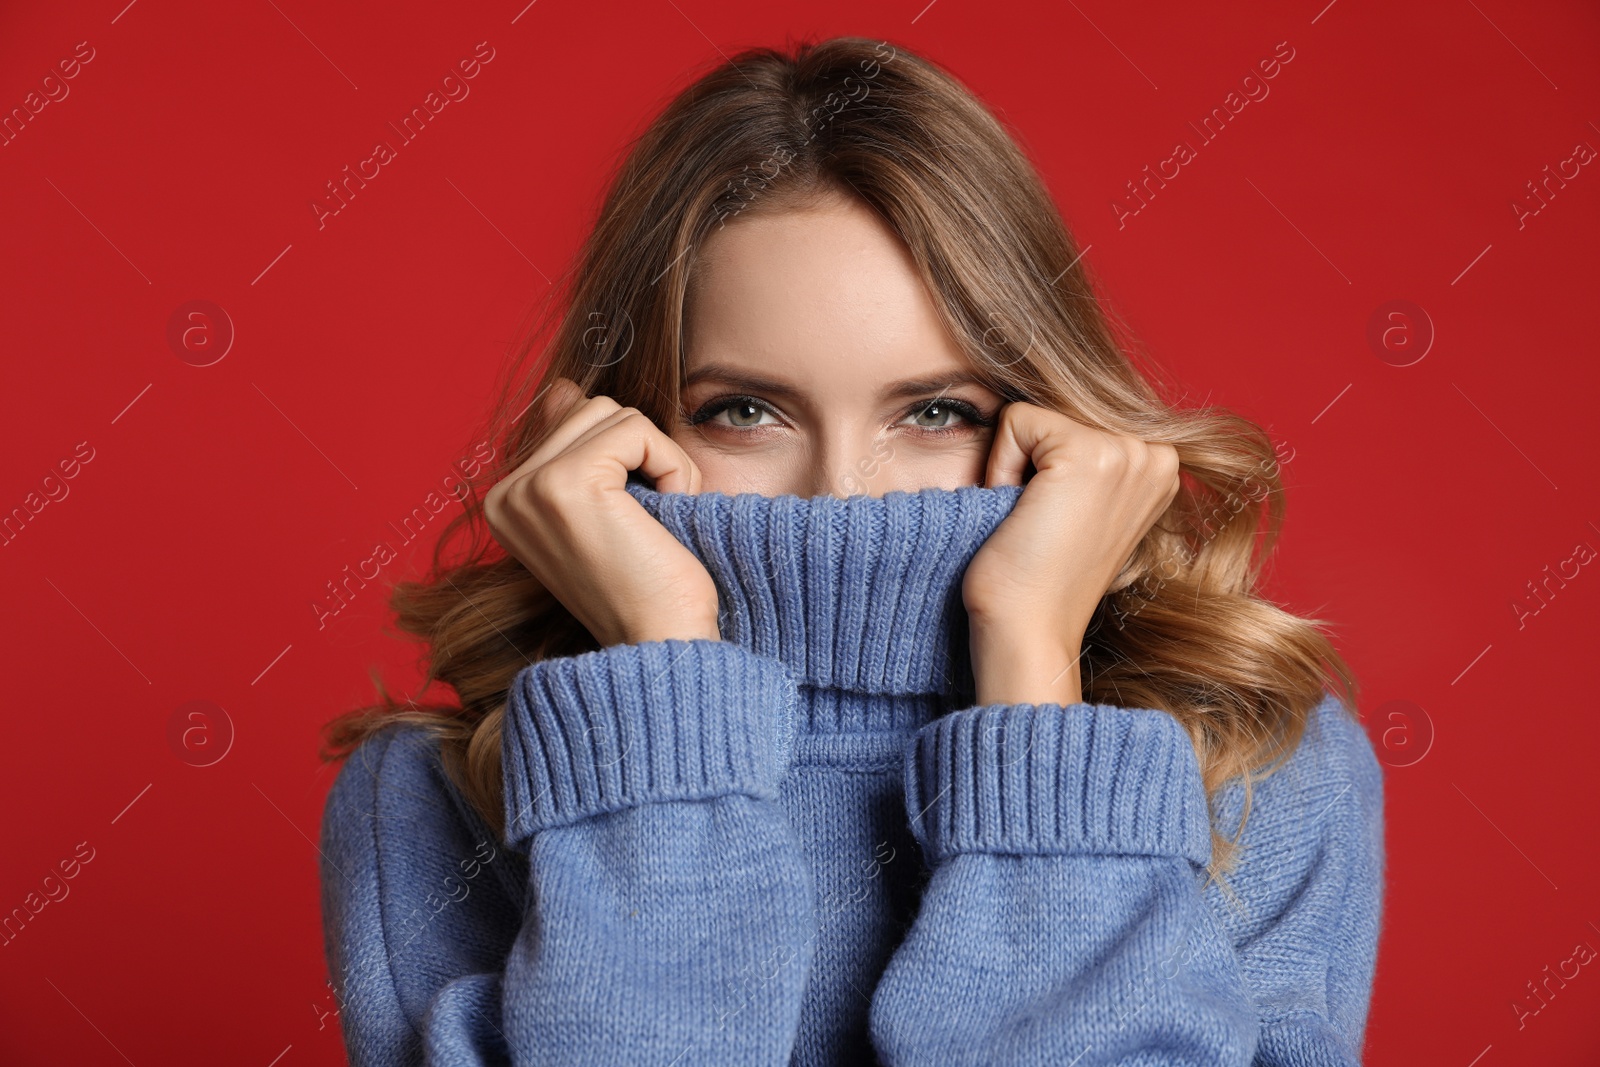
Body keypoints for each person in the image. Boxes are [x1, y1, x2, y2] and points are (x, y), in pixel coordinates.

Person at [317, 35, 1384, 1066]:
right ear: (621, 423)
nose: (841, 493)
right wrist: (661, 688)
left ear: (1045, 412)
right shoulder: (437, 790)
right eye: (743, 409)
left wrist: (1029, 681)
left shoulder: (1253, 761)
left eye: (931, 410)